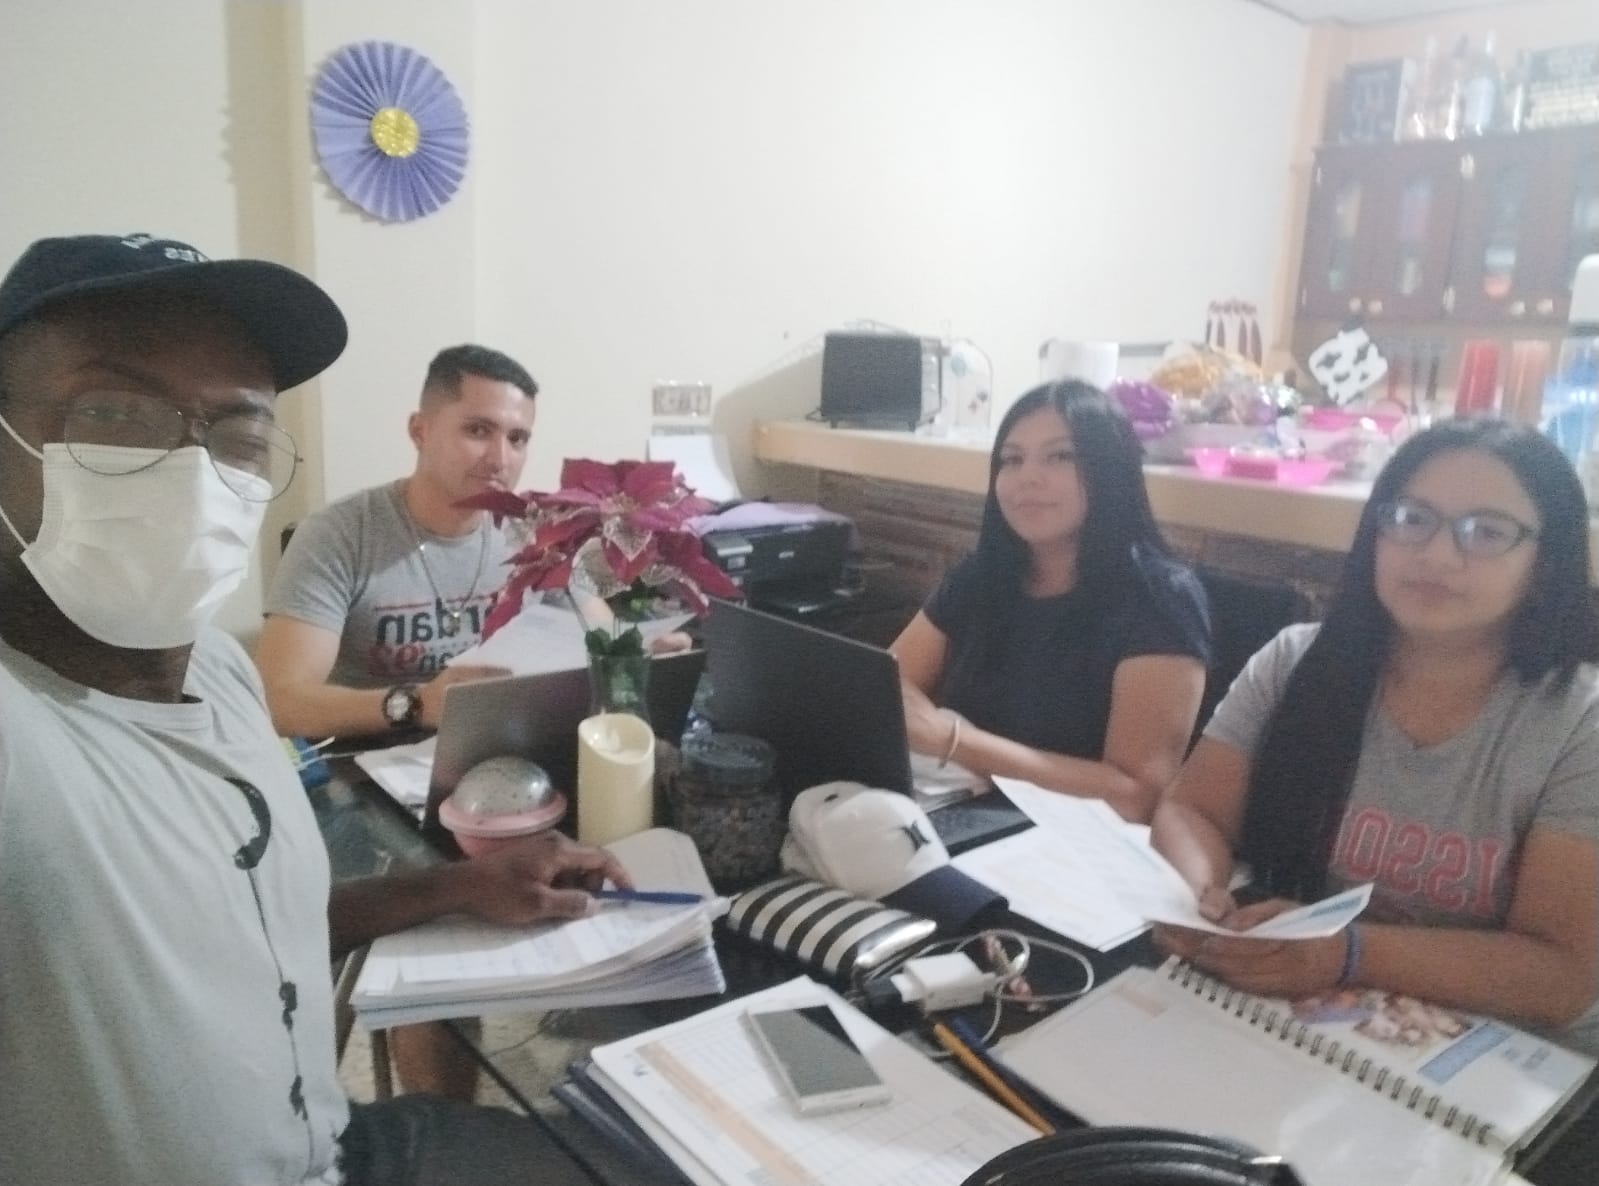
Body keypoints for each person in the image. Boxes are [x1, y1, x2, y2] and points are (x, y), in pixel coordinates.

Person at [0, 232, 628, 1186]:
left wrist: (461, 886)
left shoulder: (214, 669)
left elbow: (258, 914)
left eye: (238, 433)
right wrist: (416, 700)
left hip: (333, 1146)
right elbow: (296, 695)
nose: (188, 468)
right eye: (113, 413)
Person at [1151, 419, 1599, 1056]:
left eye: (1487, 532)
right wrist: (1195, 897)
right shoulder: (1296, 663)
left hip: (1507, 1057)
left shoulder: (1578, 722)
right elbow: (1193, 808)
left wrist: (1350, 952)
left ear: (1545, 560)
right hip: (1310, 1018)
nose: (1437, 555)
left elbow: (1562, 974)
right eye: (1412, 518)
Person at [890, 380, 1211, 823]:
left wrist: (953, 741)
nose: (1028, 477)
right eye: (1012, 459)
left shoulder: (1161, 598)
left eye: (1060, 456)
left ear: (1109, 469)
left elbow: (1136, 796)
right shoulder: (983, 574)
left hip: (1069, 837)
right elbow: (886, 685)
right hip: (961, 809)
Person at [257, 343, 540, 742]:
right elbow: (279, 702)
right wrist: (419, 704)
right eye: (478, 430)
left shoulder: (534, 534)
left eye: (517, 439)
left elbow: (601, 638)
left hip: (499, 747)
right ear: (419, 431)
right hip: (364, 758)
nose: (500, 459)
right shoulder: (339, 533)